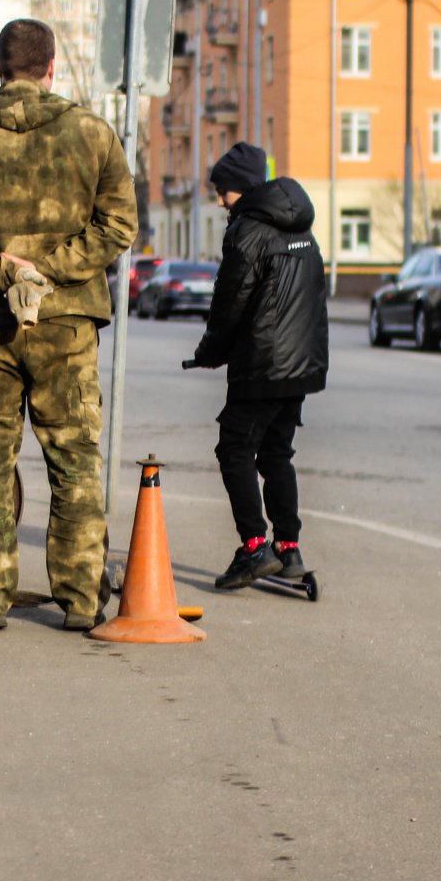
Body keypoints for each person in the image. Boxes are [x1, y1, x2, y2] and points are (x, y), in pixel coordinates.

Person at [0, 17, 137, 631]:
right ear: (52, 66)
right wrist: (48, 269)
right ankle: (79, 600)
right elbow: (119, 226)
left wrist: (2, 268)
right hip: (67, 327)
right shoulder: (92, 133)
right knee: (74, 462)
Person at [185, 142, 328, 590]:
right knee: (276, 453)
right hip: (301, 365)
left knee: (234, 449)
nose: (220, 200)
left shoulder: (247, 230)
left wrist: (209, 351)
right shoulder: (303, 227)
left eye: (222, 191)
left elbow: (230, 302)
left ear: (240, 189)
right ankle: (289, 548)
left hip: (261, 363)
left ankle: (253, 547)